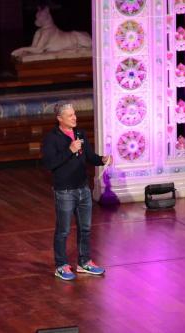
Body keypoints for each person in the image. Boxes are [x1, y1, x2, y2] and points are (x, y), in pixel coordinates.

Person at [42, 103, 112, 281]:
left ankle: (84, 262)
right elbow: (50, 164)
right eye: (70, 115)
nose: (75, 118)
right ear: (59, 118)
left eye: (75, 114)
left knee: (86, 228)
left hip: (83, 189)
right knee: (63, 230)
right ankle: (61, 265)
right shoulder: (52, 138)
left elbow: (89, 156)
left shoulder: (80, 133)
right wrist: (69, 150)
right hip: (65, 191)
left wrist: (102, 159)